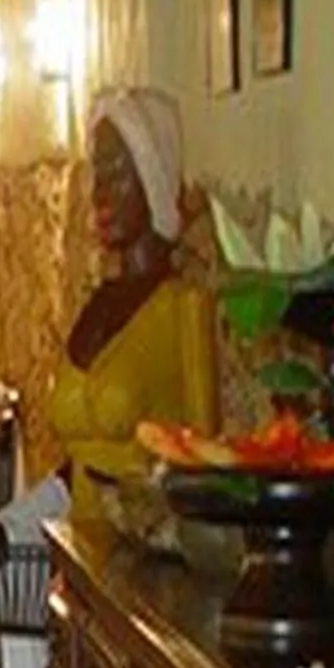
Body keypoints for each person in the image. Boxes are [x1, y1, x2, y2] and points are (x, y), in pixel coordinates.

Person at [46, 85, 218, 507]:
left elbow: (203, 461)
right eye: (98, 175)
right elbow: (78, 469)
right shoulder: (99, 304)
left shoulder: (182, 308)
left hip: (141, 556)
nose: (101, 193)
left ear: (153, 174)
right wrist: (10, 526)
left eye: (118, 173)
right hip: (78, 558)